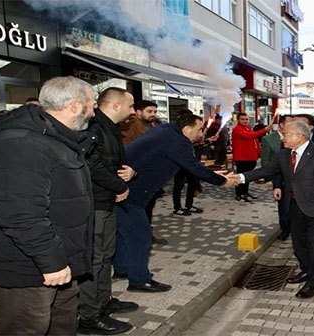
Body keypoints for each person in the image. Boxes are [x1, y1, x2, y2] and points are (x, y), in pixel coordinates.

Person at [0, 76, 96, 335]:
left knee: (60, 327)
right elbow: (20, 213)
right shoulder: (20, 143)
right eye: (92, 104)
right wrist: (51, 261)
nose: (94, 111)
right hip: (30, 268)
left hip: (59, 263)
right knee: (25, 329)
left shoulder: (56, 138)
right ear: (74, 106)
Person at [112, 112, 237, 293]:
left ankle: (123, 269)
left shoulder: (166, 131)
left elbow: (189, 163)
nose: (201, 133)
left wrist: (216, 175)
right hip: (130, 194)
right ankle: (139, 280)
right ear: (186, 129)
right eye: (199, 129)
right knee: (141, 236)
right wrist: (223, 182)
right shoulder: (178, 141)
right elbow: (193, 167)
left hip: (125, 190)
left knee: (124, 234)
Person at [234, 120, 314, 299]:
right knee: (299, 245)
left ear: (299, 136)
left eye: (285, 134)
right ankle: (306, 269)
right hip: (295, 205)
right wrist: (239, 178)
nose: (282, 137)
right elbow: (265, 170)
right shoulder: (283, 155)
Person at [78, 87, 138, 335]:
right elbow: (93, 165)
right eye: (130, 105)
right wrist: (119, 185)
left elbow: (115, 163)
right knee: (94, 259)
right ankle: (89, 316)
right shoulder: (94, 128)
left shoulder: (111, 129)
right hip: (95, 203)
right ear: (115, 105)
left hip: (108, 201)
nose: (133, 111)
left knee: (105, 256)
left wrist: (131, 173)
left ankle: (104, 302)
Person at [120, 100, 167, 245]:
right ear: (139, 112)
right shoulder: (131, 127)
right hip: (135, 174)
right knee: (137, 208)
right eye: (149, 111)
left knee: (148, 206)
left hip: (150, 174)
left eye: (154, 111)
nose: (153, 114)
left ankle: (147, 233)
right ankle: (139, 236)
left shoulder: (154, 126)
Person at [261, 114, 294, 240]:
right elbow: (266, 161)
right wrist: (270, 180)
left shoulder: (298, 137)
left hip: (298, 180)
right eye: (290, 122)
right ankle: (285, 229)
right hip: (280, 179)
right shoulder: (269, 139)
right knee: (283, 207)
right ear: (281, 125)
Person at [231, 112, 273, 202]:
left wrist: (258, 153)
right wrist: (264, 130)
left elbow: (254, 141)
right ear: (238, 120)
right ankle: (239, 193)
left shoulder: (248, 128)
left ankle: (245, 192)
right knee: (241, 176)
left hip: (250, 157)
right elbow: (251, 136)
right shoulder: (237, 129)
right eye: (242, 119)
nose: (245, 121)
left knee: (247, 177)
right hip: (242, 158)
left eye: (246, 119)